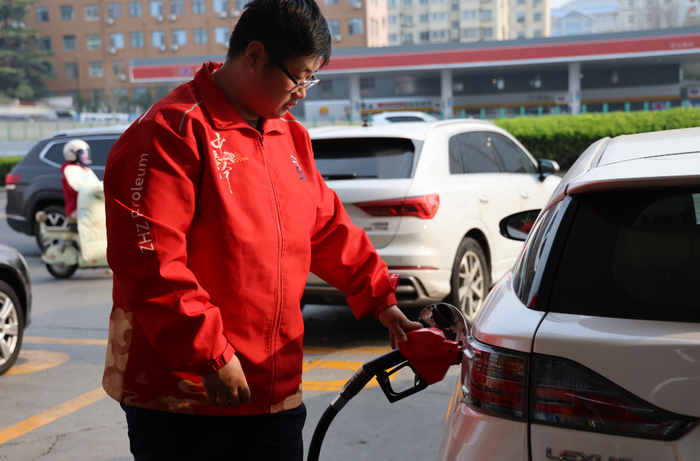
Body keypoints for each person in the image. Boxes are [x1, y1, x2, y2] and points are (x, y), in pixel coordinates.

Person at [102, 0, 422, 459]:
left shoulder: (288, 135)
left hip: (274, 386)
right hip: (187, 393)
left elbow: (326, 228)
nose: (303, 93)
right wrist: (209, 354)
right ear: (255, 55)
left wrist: (380, 297)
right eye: (299, 77)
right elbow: (151, 262)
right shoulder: (171, 131)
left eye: (312, 79)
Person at [60, 139, 100, 225]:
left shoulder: (85, 169)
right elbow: (77, 190)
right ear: (72, 154)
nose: (86, 156)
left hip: (89, 206)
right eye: (83, 153)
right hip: (77, 208)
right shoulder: (70, 170)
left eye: (86, 153)